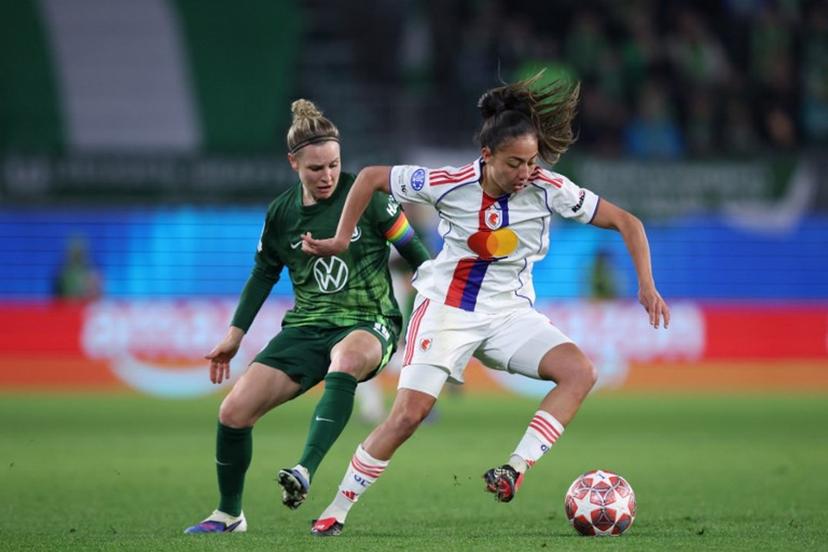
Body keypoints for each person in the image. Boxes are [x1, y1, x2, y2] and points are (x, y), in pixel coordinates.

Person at [301, 73, 670, 536]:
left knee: (580, 372)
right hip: (447, 311)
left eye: (532, 162)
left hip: (510, 317)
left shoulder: (550, 188)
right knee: (408, 416)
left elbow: (628, 222)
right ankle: (336, 509)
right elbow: (373, 177)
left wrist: (646, 285)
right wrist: (340, 237)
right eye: (515, 163)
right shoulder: (449, 184)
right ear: (487, 156)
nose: (525, 173)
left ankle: (512, 470)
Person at [184, 99, 430, 533]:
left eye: (334, 164)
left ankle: (305, 469)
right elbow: (264, 272)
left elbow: (418, 256)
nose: (328, 176)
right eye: (315, 168)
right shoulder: (282, 213)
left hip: (369, 320)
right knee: (233, 412)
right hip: (307, 326)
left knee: (348, 359)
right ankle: (228, 513)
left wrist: (438, 314)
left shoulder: (370, 199)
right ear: (293, 163)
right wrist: (234, 335)